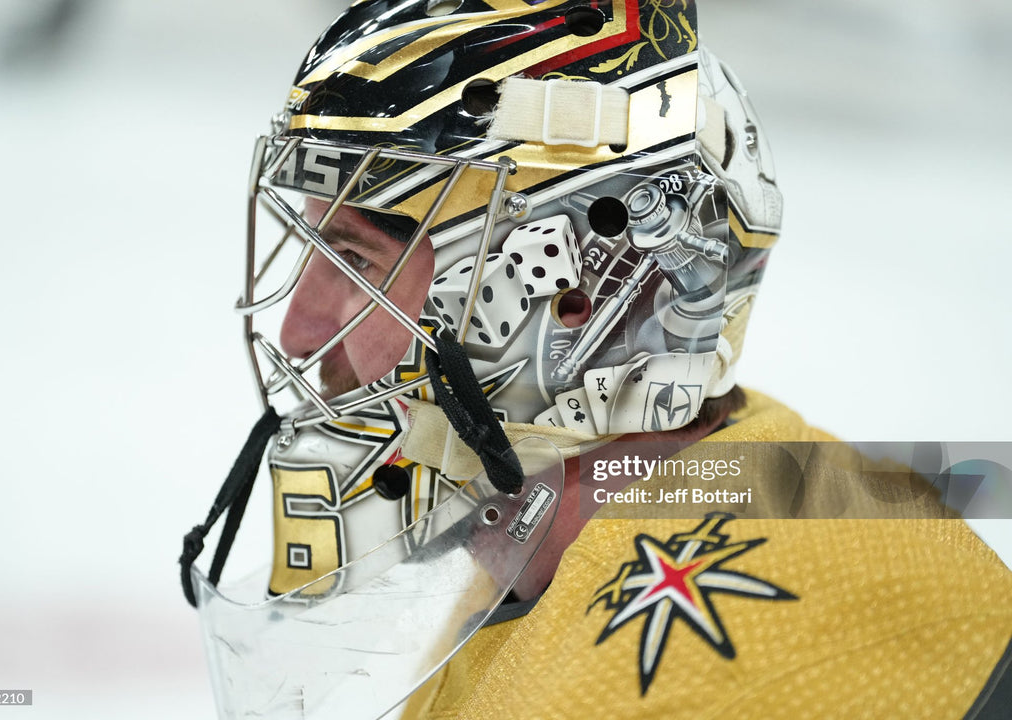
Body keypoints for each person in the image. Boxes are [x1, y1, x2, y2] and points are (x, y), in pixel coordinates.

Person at [182, 2, 1012, 718]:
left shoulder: (673, 683)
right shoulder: (565, 546)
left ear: (570, 300)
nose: (299, 328)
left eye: (358, 264)